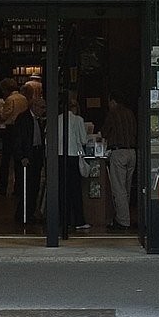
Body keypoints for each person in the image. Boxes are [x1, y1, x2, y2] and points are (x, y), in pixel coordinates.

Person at [8, 88, 43, 225]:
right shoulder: (23, 119)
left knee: (34, 186)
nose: (43, 110)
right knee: (26, 186)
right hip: (27, 155)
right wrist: (21, 156)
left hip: (37, 153)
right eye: (42, 107)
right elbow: (18, 139)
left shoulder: (39, 120)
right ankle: (22, 214)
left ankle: (30, 212)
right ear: (34, 106)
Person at [101, 96, 137, 231]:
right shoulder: (130, 113)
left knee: (119, 189)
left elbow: (105, 131)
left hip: (119, 152)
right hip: (132, 152)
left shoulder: (113, 113)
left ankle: (123, 221)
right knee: (127, 188)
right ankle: (124, 216)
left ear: (112, 101)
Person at [57, 98, 90, 231]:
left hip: (58, 157)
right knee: (75, 190)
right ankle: (78, 220)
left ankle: (61, 219)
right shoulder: (78, 120)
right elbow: (83, 140)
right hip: (73, 156)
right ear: (75, 107)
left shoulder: (56, 119)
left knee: (61, 189)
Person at [0, 78, 20, 195]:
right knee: (18, 160)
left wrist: (0, 110)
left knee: (5, 160)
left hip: (11, 130)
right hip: (21, 130)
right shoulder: (23, 98)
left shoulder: (10, 99)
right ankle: (18, 187)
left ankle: (2, 187)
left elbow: (4, 115)